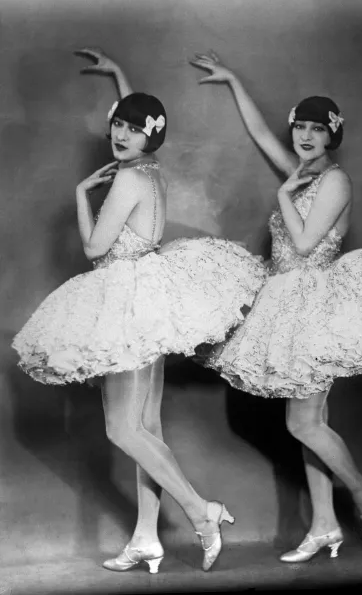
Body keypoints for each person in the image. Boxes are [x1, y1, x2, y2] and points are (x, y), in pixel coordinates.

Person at [12, 49, 267, 574]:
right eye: (118, 125)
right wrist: (120, 79)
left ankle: (202, 511)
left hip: (127, 299)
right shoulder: (152, 170)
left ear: (150, 136)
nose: (120, 135)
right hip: (147, 292)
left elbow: (93, 250)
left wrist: (83, 196)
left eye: (132, 128)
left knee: (122, 431)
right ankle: (147, 538)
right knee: (146, 428)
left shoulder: (127, 178)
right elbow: (136, 126)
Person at [189, 51, 362, 562]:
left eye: (316, 129)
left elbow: (306, 243)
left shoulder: (333, 181)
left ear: (333, 135)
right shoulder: (305, 171)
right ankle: (326, 525)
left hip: (315, 303)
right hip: (285, 301)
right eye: (300, 127)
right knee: (311, 421)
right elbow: (264, 137)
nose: (305, 136)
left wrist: (285, 190)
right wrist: (233, 81)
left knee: (302, 423)